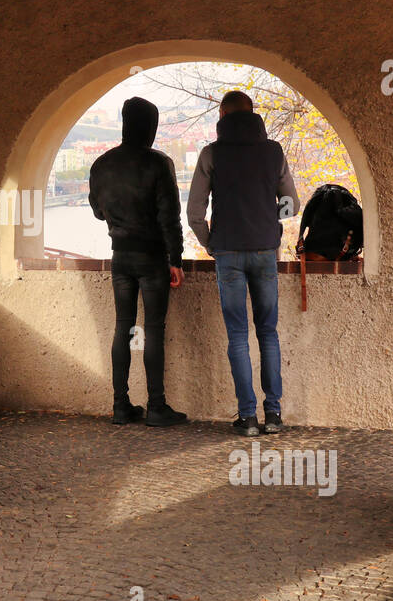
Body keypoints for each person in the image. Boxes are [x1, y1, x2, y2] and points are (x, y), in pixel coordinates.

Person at [186, 90, 299, 437]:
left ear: (222, 116)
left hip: (229, 253)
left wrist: (211, 243)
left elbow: (193, 214)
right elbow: (292, 205)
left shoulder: (211, 154)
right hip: (265, 251)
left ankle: (248, 417)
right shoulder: (273, 151)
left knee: (237, 335)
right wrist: (271, 224)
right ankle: (274, 415)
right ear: (253, 115)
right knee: (268, 332)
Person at [88, 96, 188, 427]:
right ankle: (156, 407)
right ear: (151, 126)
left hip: (120, 257)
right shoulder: (158, 163)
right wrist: (176, 258)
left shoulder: (102, 164)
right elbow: (169, 216)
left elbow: (97, 210)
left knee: (123, 326)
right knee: (154, 330)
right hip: (152, 258)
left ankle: (120, 406)